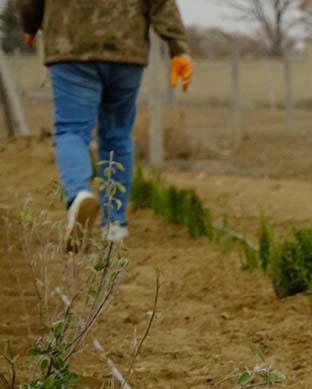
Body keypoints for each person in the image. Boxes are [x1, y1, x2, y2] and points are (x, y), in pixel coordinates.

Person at [19, 0, 193, 246]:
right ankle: (114, 224)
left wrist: (31, 24)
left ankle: (79, 195)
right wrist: (179, 48)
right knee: (117, 134)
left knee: (72, 130)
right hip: (125, 49)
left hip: (71, 45)